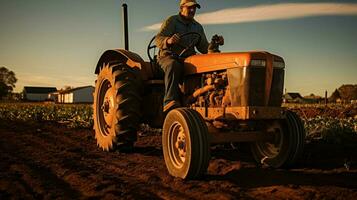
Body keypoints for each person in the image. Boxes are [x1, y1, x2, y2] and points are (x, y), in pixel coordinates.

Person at [156, 0, 223, 114]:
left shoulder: (197, 27)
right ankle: (169, 101)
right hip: (168, 57)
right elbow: (159, 38)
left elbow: (203, 48)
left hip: (187, 59)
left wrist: (214, 44)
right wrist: (169, 40)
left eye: (194, 8)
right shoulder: (172, 21)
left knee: (203, 70)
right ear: (182, 8)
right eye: (189, 8)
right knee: (173, 65)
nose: (192, 10)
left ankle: (199, 101)